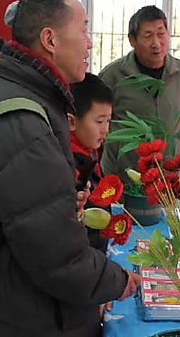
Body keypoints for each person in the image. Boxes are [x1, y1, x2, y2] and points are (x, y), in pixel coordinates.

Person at [0, 0, 140, 337]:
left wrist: (61, 203)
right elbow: (57, 256)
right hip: (28, 316)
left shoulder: (14, 93)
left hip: (7, 300)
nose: (89, 43)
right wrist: (116, 281)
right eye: (84, 30)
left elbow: (28, 212)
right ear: (50, 39)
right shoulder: (25, 122)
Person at [99, 5, 180, 180]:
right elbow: (99, 124)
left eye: (161, 34)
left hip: (168, 175)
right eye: (148, 36)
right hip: (124, 173)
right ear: (132, 40)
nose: (156, 43)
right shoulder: (112, 75)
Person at [69, 73, 113, 253]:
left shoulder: (89, 151)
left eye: (108, 121)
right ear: (71, 121)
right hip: (83, 253)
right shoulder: (68, 163)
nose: (105, 130)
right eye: (99, 121)